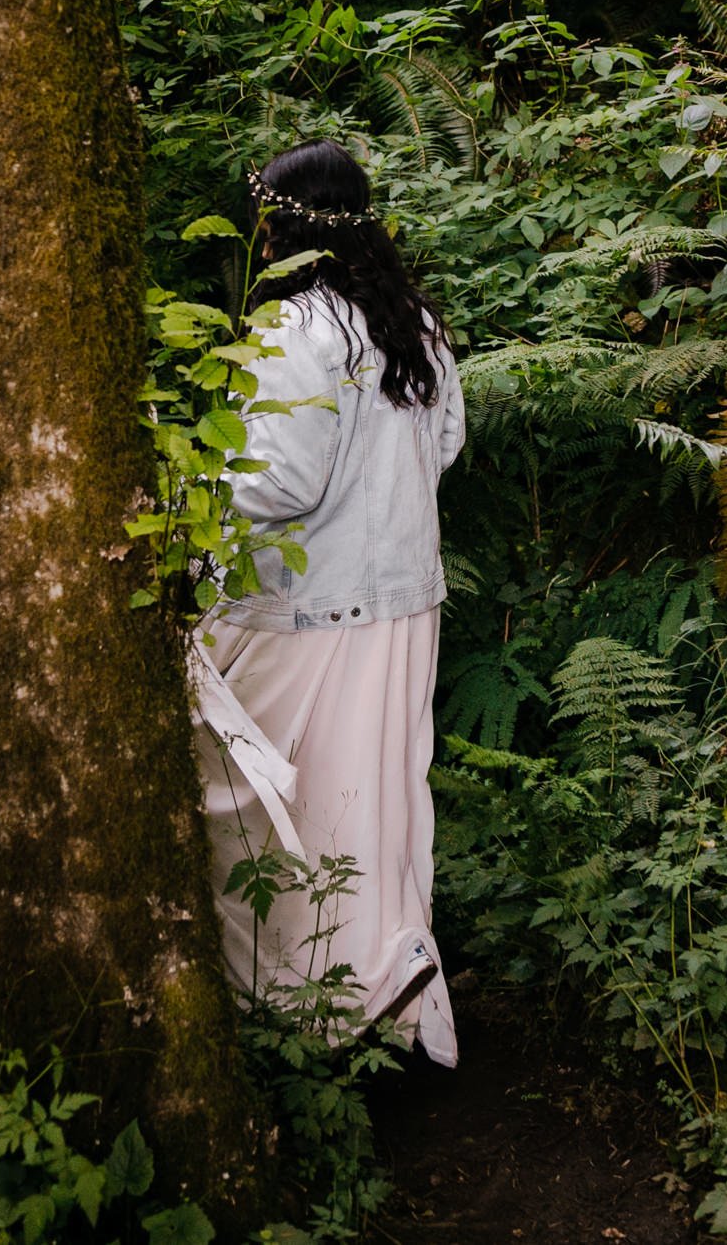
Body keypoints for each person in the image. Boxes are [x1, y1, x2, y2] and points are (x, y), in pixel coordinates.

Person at [195, 139, 467, 1066]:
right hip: (403, 608)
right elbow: (444, 449)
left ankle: (305, 1016)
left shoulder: (291, 332)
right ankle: (388, 1000)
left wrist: (194, 480)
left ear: (281, 225)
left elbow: (274, 483)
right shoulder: (414, 325)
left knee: (280, 813)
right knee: (379, 809)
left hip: (311, 615)